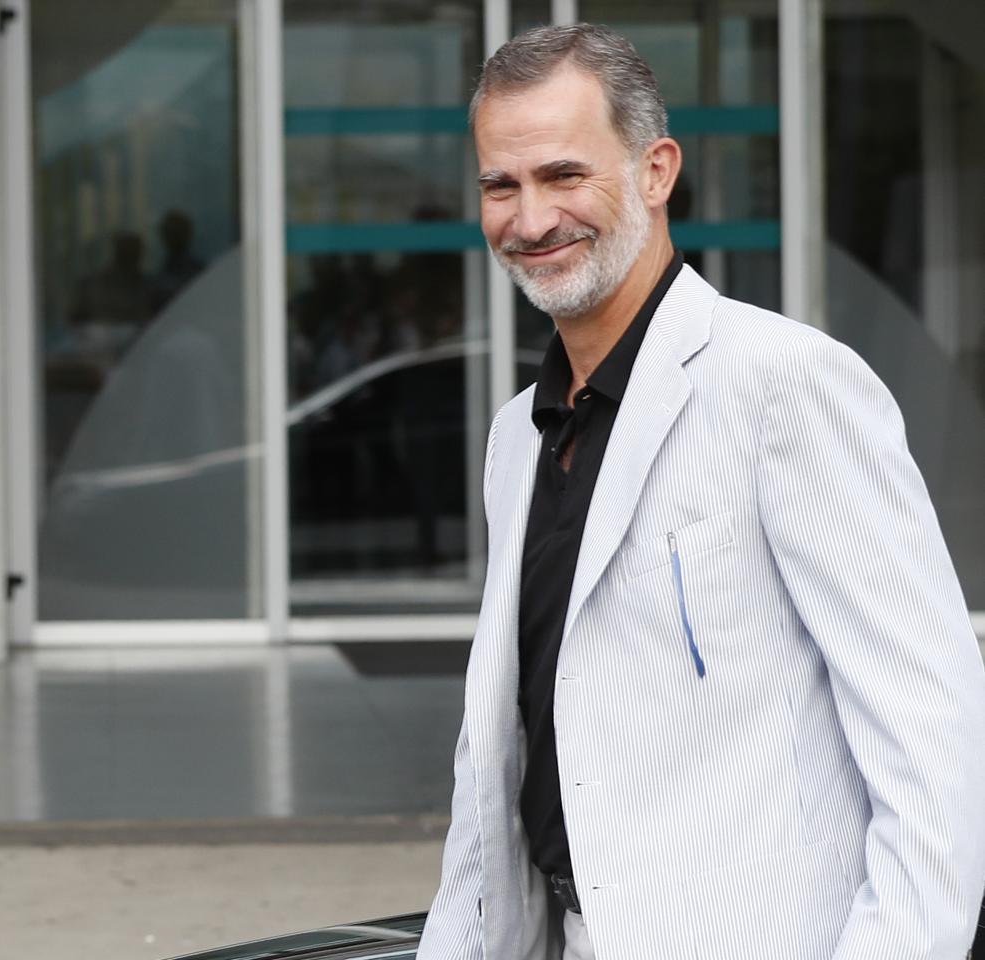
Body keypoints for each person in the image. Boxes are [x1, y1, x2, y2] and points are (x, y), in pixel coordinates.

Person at [416, 24, 985, 960]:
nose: (530, 219)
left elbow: (935, 747)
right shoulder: (517, 436)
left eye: (564, 175)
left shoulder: (785, 384)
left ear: (655, 170)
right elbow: (500, 760)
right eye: (500, 185)